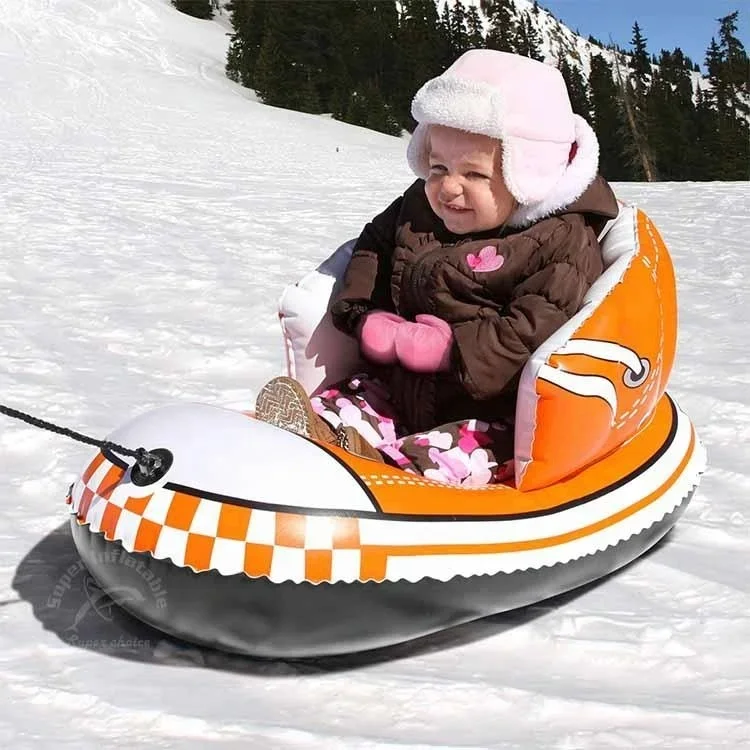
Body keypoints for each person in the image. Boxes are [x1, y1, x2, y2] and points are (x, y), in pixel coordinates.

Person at [255, 49, 619, 487]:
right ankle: (309, 438)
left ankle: (382, 476)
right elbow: (373, 246)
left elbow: (536, 330)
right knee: (351, 400)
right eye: (438, 167)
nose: (448, 187)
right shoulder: (419, 206)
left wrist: (450, 351)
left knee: (456, 453)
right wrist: (364, 314)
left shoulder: (560, 241)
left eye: (475, 175)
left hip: (488, 411)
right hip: (400, 386)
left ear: (529, 176)